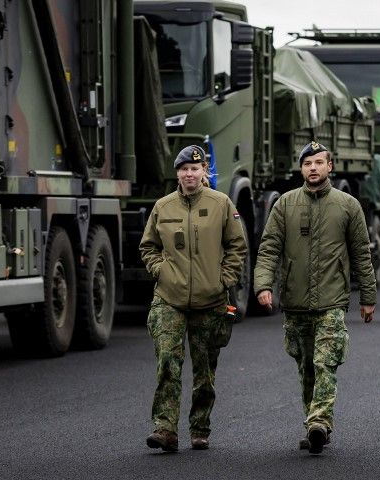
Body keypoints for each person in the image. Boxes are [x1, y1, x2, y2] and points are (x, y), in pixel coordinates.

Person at [254, 141, 377, 455]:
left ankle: (320, 421)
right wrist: (262, 286)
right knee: (306, 366)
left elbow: (361, 254)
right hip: (295, 301)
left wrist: (368, 295)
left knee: (325, 363)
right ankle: (313, 424)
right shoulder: (284, 204)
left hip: (332, 300)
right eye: (307, 163)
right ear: (301, 168)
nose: (313, 168)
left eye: (319, 162)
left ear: (329, 166)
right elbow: (269, 250)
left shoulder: (348, 205)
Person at [139, 145, 248, 453]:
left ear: (204, 172)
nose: (189, 174)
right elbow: (148, 246)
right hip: (169, 298)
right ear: (178, 173)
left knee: (204, 371)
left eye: (195, 169)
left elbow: (237, 246)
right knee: (168, 364)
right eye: (184, 169)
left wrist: (223, 279)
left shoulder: (221, 204)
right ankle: (165, 429)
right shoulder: (163, 206)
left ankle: (200, 428)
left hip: (210, 300)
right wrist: (161, 271)